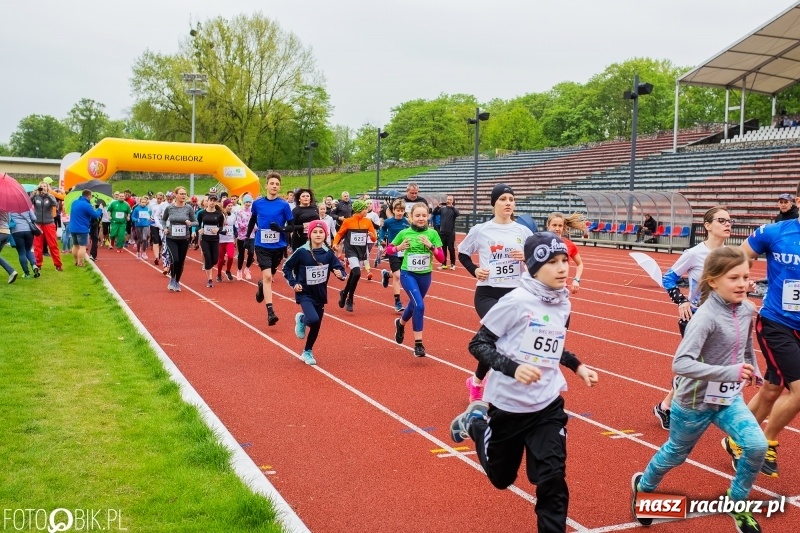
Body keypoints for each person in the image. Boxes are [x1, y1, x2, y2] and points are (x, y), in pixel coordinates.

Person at [449, 232, 598, 533]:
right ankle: (477, 424)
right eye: (552, 263)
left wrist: (577, 365)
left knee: (552, 479)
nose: (562, 269)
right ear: (533, 267)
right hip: (509, 407)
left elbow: (551, 345)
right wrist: (513, 368)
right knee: (501, 479)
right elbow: (478, 345)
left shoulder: (563, 303)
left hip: (547, 405)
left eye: (564, 261)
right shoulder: (515, 301)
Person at [633, 246, 766, 533]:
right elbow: (680, 364)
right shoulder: (704, 317)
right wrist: (727, 372)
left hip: (729, 398)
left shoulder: (746, 309)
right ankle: (644, 486)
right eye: (734, 278)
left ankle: (737, 500)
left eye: (746, 276)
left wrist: (753, 368)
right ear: (714, 281)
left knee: (757, 445)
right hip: (694, 402)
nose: (743, 284)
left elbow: (744, 347)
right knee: (676, 454)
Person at [722, 189, 800, 479]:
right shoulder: (774, 232)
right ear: (798, 201)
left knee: (772, 389)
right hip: (777, 323)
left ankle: (736, 439)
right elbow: (740, 257)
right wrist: (739, 289)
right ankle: (764, 442)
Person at [653, 206, 732, 430]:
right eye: (722, 220)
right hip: (696, 319)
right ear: (707, 225)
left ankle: (667, 406)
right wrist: (682, 301)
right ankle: (671, 406)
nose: (728, 224)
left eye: (729, 220)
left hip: (723, 319)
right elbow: (668, 278)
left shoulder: (731, 254)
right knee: (703, 366)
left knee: (708, 367)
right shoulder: (694, 254)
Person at [458, 184, 534, 402]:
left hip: (515, 295)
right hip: (487, 294)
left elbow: (537, 263)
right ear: (494, 203)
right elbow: (463, 253)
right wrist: (475, 270)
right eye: (503, 199)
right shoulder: (481, 230)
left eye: (511, 198)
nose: (508, 203)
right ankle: (483, 383)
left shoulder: (523, 231)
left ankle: (477, 380)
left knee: (506, 340)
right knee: (499, 336)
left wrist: (526, 258)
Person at [282, 220, 347, 365]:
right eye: (315, 232)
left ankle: (307, 351)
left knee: (317, 325)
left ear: (325, 234)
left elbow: (341, 270)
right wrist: (294, 283)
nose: (318, 234)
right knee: (313, 319)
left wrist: (340, 274)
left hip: (320, 293)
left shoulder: (328, 254)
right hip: (304, 292)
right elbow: (286, 267)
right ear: (309, 234)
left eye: (321, 232)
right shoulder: (301, 252)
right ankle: (302, 319)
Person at [387, 202, 443, 356]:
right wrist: (398, 248)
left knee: (413, 305)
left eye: (424, 215)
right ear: (410, 217)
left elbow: (442, 258)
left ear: (428, 216)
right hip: (408, 274)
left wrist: (431, 246)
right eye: (417, 215)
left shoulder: (432, 234)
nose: (421, 218)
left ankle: (400, 324)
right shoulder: (404, 233)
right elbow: (389, 249)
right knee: (419, 305)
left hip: (425, 275)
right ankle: (418, 344)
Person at [246, 172, 294, 326]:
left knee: (270, 274)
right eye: (272, 183)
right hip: (262, 245)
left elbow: (291, 226)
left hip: (278, 246)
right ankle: (270, 312)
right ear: (266, 185)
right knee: (267, 277)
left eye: (277, 184)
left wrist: (280, 228)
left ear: (279, 187)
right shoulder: (257, 203)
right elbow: (252, 220)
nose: (274, 186)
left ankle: (260, 286)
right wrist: (247, 238)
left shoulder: (284, 205)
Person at [333, 199, 377, 313]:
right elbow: (340, 234)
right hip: (351, 250)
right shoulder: (348, 221)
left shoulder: (368, 221)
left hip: (361, 251)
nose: (367, 210)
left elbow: (374, 238)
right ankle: (350, 298)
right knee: (357, 272)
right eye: (365, 209)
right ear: (359, 210)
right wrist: (334, 244)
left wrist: (372, 236)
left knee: (354, 273)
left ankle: (344, 293)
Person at [162, 187, 198, 292]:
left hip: (184, 239)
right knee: (175, 259)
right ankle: (172, 278)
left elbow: (196, 222)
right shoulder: (170, 208)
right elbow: (163, 220)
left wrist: (190, 223)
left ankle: (177, 281)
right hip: (171, 238)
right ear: (176, 195)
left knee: (181, 262)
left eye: (185, 194)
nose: (183, 196)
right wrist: (164, 228)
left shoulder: (189, 208)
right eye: (181, 193)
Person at [380, 198, 411, 313]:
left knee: (402, 274)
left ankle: (387, 275)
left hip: (405, 251)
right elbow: (383, 230)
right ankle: (397, 302)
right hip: (393, 250)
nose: (400, 213)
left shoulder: (407, 222)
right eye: (398, 210)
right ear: (393, 210)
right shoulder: (389, 222)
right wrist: (381, 239)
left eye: (402, 210)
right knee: (398, 276)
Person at [545, 212, 585, 295]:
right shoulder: (540, 243)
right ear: (548, 225)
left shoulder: (569, 245)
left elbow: (580, 264)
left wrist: (576, 280)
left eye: (560, 226)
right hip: (544, 288)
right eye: (554, 225)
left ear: (563, 227)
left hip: (561, 289)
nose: (557, 228)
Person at [31, 181, 62, 271]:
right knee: (37, 245)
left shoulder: (51, 196)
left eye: (45, 186)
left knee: (53, 244)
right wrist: (34, 192)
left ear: (48, 188)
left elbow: (55, 205)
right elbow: (29, 202)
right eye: (41, 186)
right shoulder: (36, 196)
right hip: (38, 224)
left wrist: (47, 195)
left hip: (49, 223)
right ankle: (38, 264)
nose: (43, 188)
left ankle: (58, 265)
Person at [68, 190, 102, 267]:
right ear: (89, 196)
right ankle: (80, 263)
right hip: (82, 228)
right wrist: (100, 209)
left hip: (73, 227)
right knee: (82, 246)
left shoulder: (74, 202)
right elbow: (95, 215)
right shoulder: (87, 205)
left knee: (75, 245)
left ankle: (76, 261)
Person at [197, 193, 225, 288]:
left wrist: (218, 229)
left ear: (216, 202)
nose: (212, 202)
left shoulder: (219, 214)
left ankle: (209, 265)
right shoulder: (201, 213)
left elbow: (222, 227)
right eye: (211, 200)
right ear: (207, 201)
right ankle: (209, 279)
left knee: (214, 260)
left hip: (215, 239)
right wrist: (199, 230)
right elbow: (198, 224)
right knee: (208, 258)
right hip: (205, 239)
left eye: (214, 201)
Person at [10, 208, 38, 278]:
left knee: (21, 252)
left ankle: (26, 273)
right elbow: (34, 218)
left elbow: (8, 220)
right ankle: (34, 265)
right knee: (28, 250)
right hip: (28, 230)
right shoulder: (26, 206)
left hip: (16, 231)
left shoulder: (9, 208)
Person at [433, 195, 460, 270]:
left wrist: (452, 207)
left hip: (450, 233)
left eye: (451, 199)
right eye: (448, 199)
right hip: (442, 233)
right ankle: (444, 264)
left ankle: (453, 264)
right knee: (443, 249)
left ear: (453, 201)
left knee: (451, 249)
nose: (449, 201)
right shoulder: (442, 209)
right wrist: (438, 207)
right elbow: (434, 213)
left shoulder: (454, 210)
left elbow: (458, 214)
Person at [234, 194, 255, 280]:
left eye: (249, 202)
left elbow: (255, 224)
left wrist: (254, 227)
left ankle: (247, 268)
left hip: (251, 235)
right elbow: (239, 224)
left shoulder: (253, 212)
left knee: (251, 253)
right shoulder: (239, 212)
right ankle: (239, 271)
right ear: (243, 202)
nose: (248, 203)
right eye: (246, 202)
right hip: (241, 236)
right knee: (241, 255)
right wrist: (249, 225)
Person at [216, 199, 236, 282]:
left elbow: (234, 226)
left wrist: (235, 236)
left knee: (231, 257)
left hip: (230, 240)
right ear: (224, 206)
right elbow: (217, 226)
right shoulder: (220, 215)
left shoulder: (234, 215)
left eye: (231, 206)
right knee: (221, 260)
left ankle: (228, 271)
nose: (230, 207)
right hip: (221, 240)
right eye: (229, 206)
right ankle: (219, 274)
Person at [130, 195, 152, 260]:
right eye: (142, 202)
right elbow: (133, 217)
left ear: (146, 203)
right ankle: (138, 252)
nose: (143, 203)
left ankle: (144, 252)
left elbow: (150, 215)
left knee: (145, 238)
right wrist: (136, 220)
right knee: (140, 239)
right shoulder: (137, 209)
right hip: (138, 225)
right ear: (140, 202)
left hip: (146, 225)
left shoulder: (148, 209)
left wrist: (150, 218)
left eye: (144, 202)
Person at [0, 210, 19, 283]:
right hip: (7, 233)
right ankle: (11, 272)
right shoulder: (5, 208)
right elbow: (9, 221)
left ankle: (11, 271)